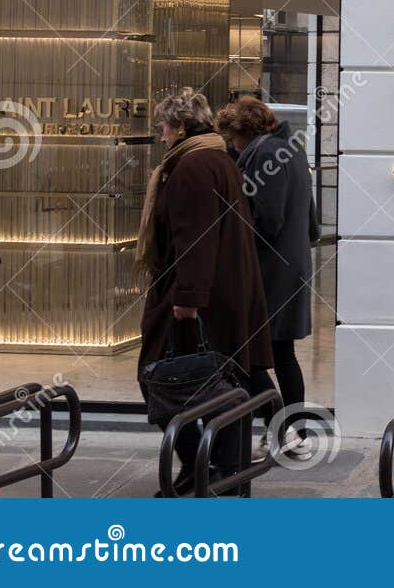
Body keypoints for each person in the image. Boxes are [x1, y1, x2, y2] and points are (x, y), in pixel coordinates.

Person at [137, 88, 273, 494]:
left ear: (178, 127)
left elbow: (195, 238)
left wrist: (186, 302)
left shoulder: (191, 167)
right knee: (224, 385)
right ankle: (219, 471)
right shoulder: (219, 159)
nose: (160, 134)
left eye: (163, 126)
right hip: (227, 295)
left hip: (200, 300)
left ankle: (206, 466)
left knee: (157, 379)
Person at [216, 97, 319, 461]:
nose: (232, 146)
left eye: (232, 138)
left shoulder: (262, 154)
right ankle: (295, 431)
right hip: (293, 263)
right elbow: (311, 221)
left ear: (244, 131)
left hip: (268, 269)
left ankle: (282, 430)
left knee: (249, 355)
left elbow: (268, 218)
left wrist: (233, 241)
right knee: (281, 351)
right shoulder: (293, 150)